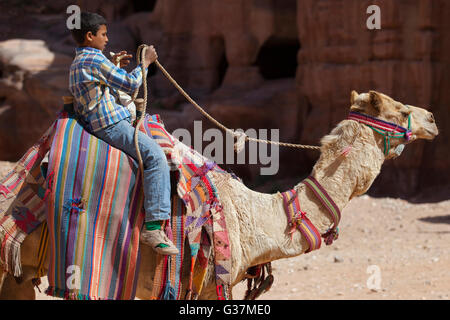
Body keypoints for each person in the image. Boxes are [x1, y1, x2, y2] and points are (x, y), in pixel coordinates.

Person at [69, 12, 178, 255]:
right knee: (156, 156)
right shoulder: (94, 60)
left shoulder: (81, 60)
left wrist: (114, 66)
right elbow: (130, 85)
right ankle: (154, 226)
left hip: (101, 121)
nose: (107, 39)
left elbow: (98, 86)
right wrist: (145, 63)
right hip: (111, 125)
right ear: (89, 36)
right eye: (103, 34)